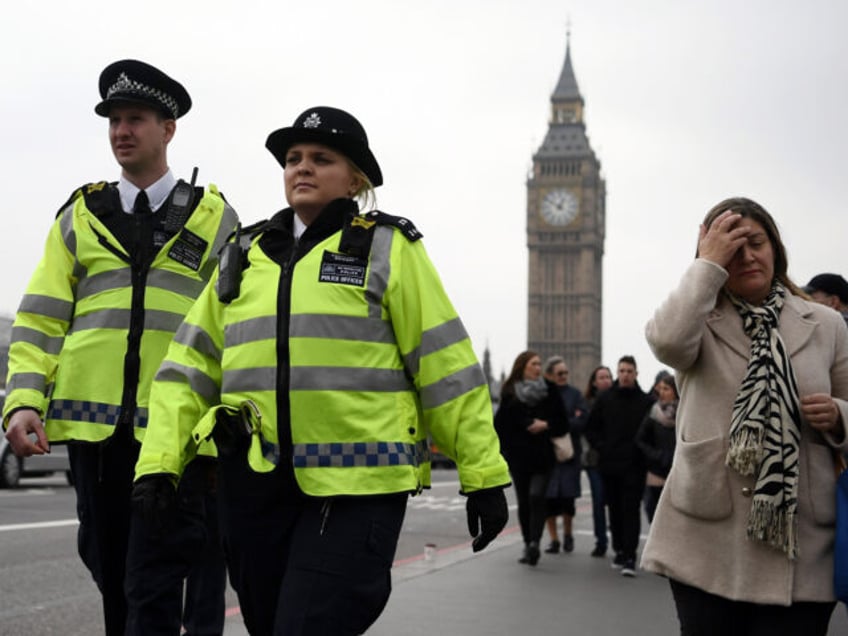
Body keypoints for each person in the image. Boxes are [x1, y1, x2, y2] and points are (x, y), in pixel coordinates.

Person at [132, 106, 511, 635]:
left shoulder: (389, 249)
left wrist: (483, 476)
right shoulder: (244, 254)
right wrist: (160, 464)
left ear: (355, 178)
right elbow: (187, 369)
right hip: (255, 489)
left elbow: (445, 365)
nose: (301, 168)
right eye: (293, 158)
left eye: (320, 158)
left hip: (356, 490)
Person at [1, 60, 237, 635]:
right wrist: (23, 399)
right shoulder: (80, 216)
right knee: (112, 571)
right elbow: (40, 317)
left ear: (168, 129)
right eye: (113, 121)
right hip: (94, 434)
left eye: (135, 119)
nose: (121, 131)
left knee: (157, 579)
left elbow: (236, 328)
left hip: (176, 434)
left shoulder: (213, 218)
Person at [642, 197, 848, 635]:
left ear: (775, 247)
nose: (748, 256)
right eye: (733, 249)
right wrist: (706, 265)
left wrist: (838, 415)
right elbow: (666, 342)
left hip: (802, 540)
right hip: (706, 536)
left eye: (756, 242)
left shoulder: (827, 325)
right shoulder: (699, 317)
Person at [495, 350, 568, 566]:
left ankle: (535, 542)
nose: (538, 367)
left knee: (537, 496)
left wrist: (545, 425)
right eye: (534, 364)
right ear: (523, 366)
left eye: (539, 364)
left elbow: (563, 423)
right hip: (519, 457)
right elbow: (500, 425)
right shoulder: (510, 392)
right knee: (524, 502)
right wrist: (510, 446)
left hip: (543, 456)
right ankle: (528, 543)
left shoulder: (550, 390)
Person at [585, 355, 653, 577]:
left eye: (629, 371)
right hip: (610, 464)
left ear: (636, 374)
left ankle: (630, 555)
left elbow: (652, 435)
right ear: (618, 373)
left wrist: (645, 454)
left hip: (635, 465)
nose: (625, 375)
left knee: (630, 509)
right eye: (622, 371)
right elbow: (590, 428)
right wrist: (602, 447)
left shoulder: (646, 402)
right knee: (614, 509)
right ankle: (619, 550)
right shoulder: (605, 399)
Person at [541, 356, 588, 554]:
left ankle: (568, 534)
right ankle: (554, 540)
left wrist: (555, 425)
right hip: (548, 455)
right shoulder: (543, 395)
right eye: (559, 373)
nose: (563, 376)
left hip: (569, 455)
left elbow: (582, 421)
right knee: (549, 500)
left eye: (566, 373)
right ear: (550, 375)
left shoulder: (575, 395)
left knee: (568, 499)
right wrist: (566, 421)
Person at [635, 373, 678, 523]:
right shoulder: (653, 413)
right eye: (660, 389)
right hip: (656, 471)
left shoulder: (684, 413)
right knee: (653, 512)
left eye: (666, 388)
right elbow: (640, 439)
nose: (662, 392)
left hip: (677, 470)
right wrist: (657, 455)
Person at [582, 365, 613, 557]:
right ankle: (601, 540)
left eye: (608, 377)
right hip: (594, 460)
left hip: (616, 459)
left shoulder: (619, 400)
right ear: (593, 382)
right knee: (598, 501)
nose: (605, 380)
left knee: (616, 502)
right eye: (601, 377)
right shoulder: (586, 403)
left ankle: (619, 541)